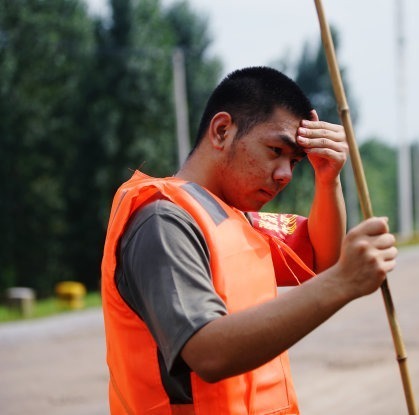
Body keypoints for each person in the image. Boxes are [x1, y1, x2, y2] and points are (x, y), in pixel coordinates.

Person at [101, 66, 397, 415]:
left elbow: (321, 258)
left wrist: (327, 180)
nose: (285, 174)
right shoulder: (163, 221)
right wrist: (343, 283)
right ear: (222, 130)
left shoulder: (234, 218)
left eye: (295, 162)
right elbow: (207, 351)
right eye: (275, 150)